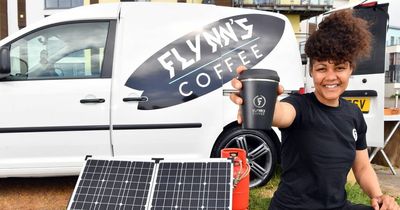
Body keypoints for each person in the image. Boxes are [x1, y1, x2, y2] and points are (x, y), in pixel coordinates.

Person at [230, 9, 400, 210]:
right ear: (311, 71)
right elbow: (280, 114)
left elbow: (362, 167)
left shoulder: (354, 114)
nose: (330, 77)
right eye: (321, 69)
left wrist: (378, 196)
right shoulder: (299, 106)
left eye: (339, 68)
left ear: (350, 69)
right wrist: (259, 101)